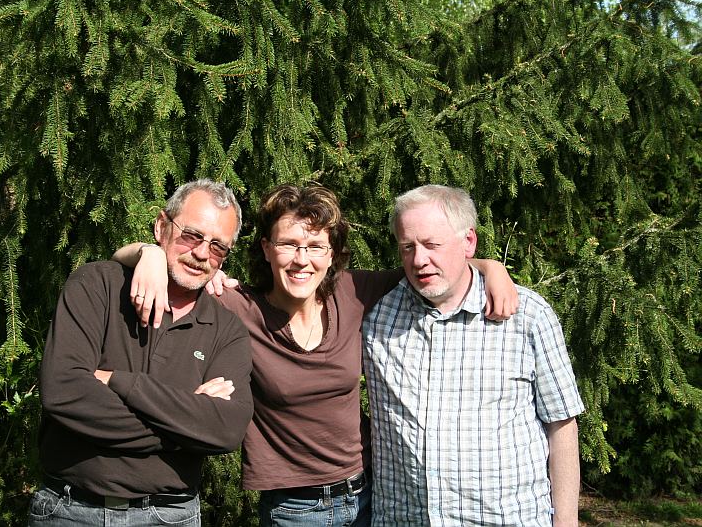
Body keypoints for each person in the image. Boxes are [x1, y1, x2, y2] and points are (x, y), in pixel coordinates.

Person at [113, 184, 519, 527]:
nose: (302, 259)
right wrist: (147, 254)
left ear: (331, 253)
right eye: (288, 244)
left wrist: (488, 267)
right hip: (294, 509)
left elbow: (433, 267)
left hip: (370, 498)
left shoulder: (353, 293)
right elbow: (160, 265)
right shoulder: (237, 306)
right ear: (267, 249)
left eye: (315, 246)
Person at [29, 179, 254, 526]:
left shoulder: (227, 330)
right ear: (162, 226)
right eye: (192, 236)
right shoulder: (97, 286)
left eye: (217, 247)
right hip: (71, 511)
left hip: (169, 515)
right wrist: (184, 427)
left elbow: (227, 429)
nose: (201, 254)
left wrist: (119, 383)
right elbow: (63, 392)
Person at [362, 184, 585, 527]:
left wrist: (567, 523)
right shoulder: (376, 315)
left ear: (469, 242)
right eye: (408, 247)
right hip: (403, 519)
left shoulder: (527, 316)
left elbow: (562, 424)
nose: (419, 259)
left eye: (433, 245)